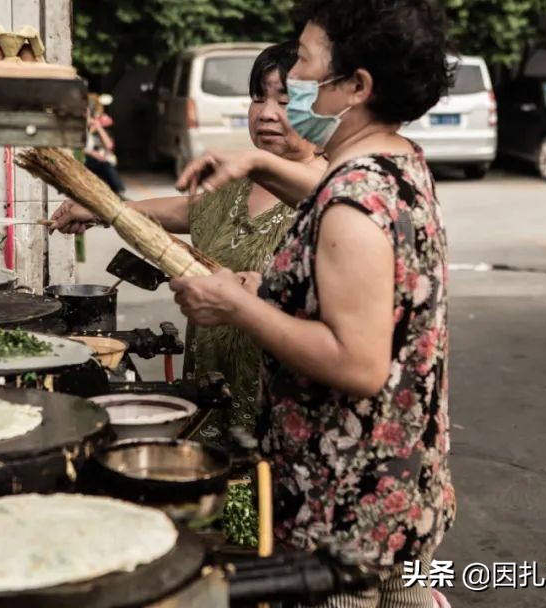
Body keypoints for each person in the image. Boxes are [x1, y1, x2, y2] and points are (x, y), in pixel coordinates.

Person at [169, 1, 455, 605]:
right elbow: (332, 191)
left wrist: (235, 305)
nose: (292, 78)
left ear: (356, 85)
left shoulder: (352, 205)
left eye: (303, 60)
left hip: (344, 509)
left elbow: (357, 363)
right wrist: (257, 163)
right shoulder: (394, 163)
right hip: (399, 483)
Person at [51, 42, 326, 448]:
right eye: (258, 98)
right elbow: (192, 210)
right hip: (213, 385)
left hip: (282, 401)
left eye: (284, 101)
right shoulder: (241, 180)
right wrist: (104, 208)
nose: (267, 113)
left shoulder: (331, 191)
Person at [83, 94, 127, 197]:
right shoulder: (75, 126)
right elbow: (74, 148)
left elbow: (109, 145)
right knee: (104, 163)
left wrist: (98, 127)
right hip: (81, 158)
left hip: (91, 158)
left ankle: (118, 192)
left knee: (106, 162)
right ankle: (118, 191)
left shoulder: (95, 124)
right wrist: (92, 153)